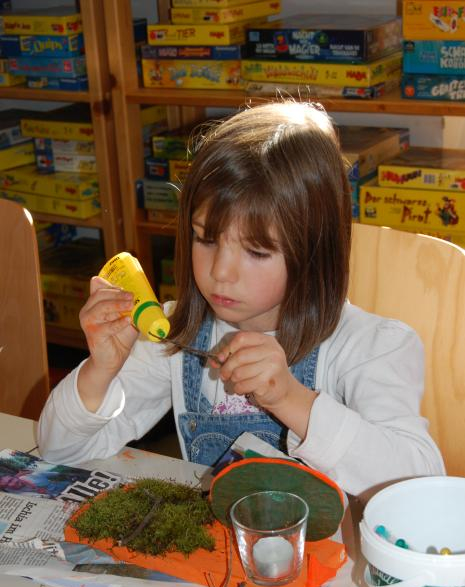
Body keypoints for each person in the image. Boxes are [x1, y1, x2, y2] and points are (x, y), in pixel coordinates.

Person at [38, 100, 445, 496]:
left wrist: (291, 398)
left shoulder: (373, 347)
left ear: (314, 251)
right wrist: (100, 371)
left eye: (256, 251)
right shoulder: (176, 336)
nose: (221, 272)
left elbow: (419, 480)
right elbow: (61, 451)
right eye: (206, 239)